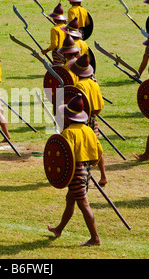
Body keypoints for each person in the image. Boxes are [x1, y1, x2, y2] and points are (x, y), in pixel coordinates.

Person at [48, 94, 103, 246]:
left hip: (76, 171)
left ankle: (95, 238)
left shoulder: (68, 133)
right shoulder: (89, 130)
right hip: (86, 169)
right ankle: (59, 229)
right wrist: (92, 163)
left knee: (83, 204)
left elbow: (65, 156)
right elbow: (99, 150)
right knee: (70, 200)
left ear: (68, 117)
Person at [70, 54, 107, 186]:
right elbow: (99, 107)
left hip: (81, 120)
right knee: (96, 145)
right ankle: (103, 175)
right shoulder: (94, 83)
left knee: (81, 148)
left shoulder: (79, 85)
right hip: (93, 118)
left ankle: (81, 175)